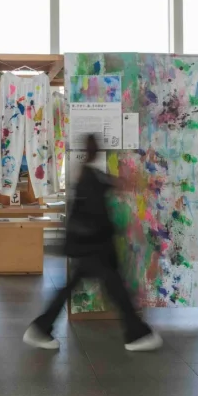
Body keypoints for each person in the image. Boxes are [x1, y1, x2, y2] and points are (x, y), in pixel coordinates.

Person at [23, 133, 162, 351]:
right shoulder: (91, 177)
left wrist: (129, 182)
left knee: (86, 287)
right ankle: (137, 334)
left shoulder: (88, 174)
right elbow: (102, 205)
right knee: (115, 289)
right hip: (94, 247)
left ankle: (40, 328)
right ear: (95, 151)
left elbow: (114, 184)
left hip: (87, 246)